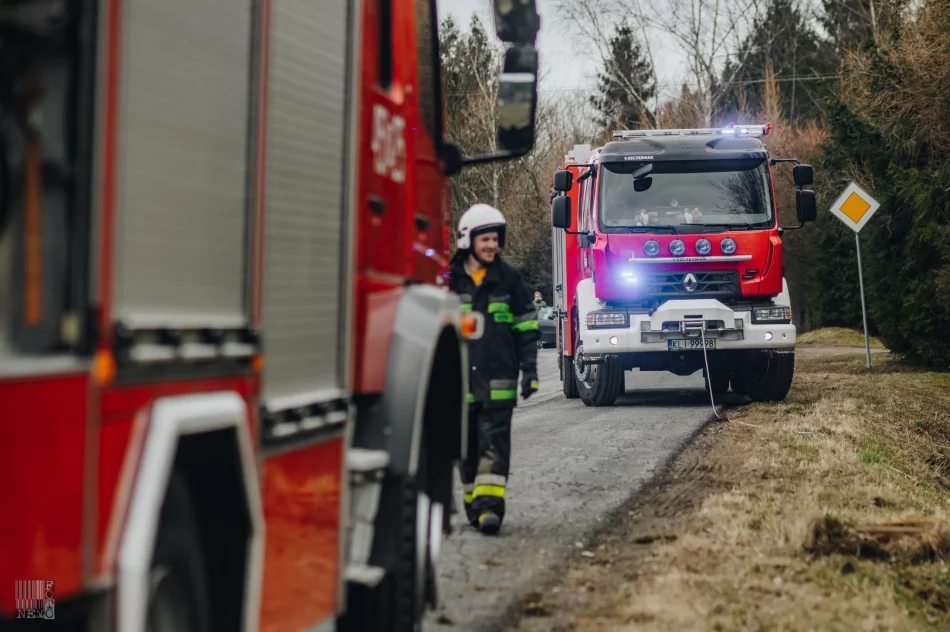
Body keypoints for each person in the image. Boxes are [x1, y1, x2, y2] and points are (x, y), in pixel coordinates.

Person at [450, 203, 539, 535]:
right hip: (458, 384)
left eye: (495, 240)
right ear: (468, 240)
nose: (492, 246)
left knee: (495, 445)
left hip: (499, 380)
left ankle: (490, 508)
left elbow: (527, 328)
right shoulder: (448, 280)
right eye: (485, 239)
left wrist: (530, 371)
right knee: (467, 449)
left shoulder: (509, 279)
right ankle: (473, 503)